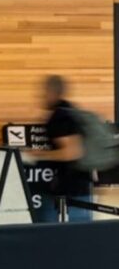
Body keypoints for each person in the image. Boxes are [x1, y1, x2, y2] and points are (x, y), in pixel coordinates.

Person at [26, 75, 94, 223]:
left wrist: (40, 156)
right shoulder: (71, 110)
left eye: (43, 92)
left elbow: (72, 152)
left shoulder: (59, 117)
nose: (40, 96)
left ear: (51, 93)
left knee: (48, 230)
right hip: (82, 189)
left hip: (69, 192)